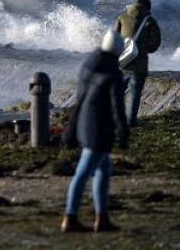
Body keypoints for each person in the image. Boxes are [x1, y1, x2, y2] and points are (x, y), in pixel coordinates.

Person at [62, 30, 130, 233]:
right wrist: (123, 132)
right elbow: (117, 107)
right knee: (82, 173)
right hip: (99, 128)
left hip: (83, 122)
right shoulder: (113, 73)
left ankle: (102, 217)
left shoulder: (89, 65)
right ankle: (70, 216)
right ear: (118, 51)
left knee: (103, 169)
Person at [113, 0, 162, 127]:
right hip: (139, 66)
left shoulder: (122, 17)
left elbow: (114, 38)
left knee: (117, 94)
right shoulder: (150, 20)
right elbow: (155, 43)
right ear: (148, 8)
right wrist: (145, 49)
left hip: (121, 64)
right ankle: (130, 122)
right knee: (134, 96)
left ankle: (114, 119)